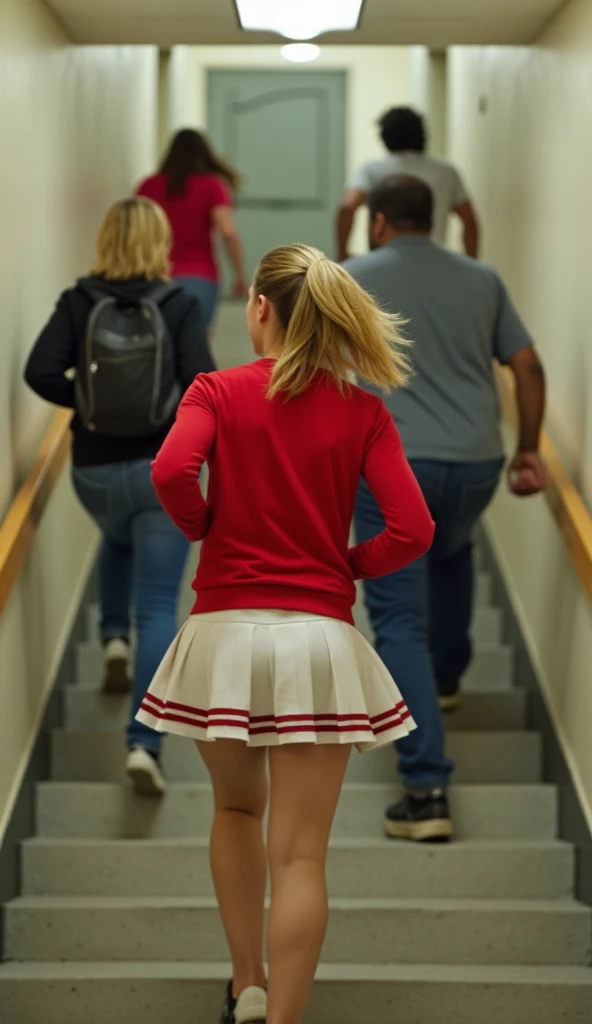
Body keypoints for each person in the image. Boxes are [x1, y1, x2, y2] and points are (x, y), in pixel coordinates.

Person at [136, 243, 434, 1024]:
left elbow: (170, 472)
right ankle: (282, 1020)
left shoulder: (217, 390)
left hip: (225, 633)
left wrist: (206, 527)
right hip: (317, 640)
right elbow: (413, 527)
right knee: (301, 854)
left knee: (236, 810)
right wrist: (346, 564)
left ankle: (247, 979)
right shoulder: (363, 408)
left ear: (259, 309)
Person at [344, 176, 546, 843]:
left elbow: (311, 369)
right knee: (454, 551)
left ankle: (427, 788)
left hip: (391, 462)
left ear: (377, 223)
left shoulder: (350, 277)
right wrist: (528, 452)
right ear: (435, 220)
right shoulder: (481, 277)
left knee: (398, 617)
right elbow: (527, 365)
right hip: (474, 462)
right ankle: (450, 677)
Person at [24, 196, 216, 798]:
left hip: (93, 470)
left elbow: (39, 372)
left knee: (114, 535)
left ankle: (110, 636)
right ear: (160, 243)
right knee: (158, 605)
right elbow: (204, 384)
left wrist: (87, 406)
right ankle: (144, 745)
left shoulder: (79, 300)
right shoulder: (179, 303)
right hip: (162, 469)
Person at [337, 106, 480, 261]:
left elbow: (347, 207)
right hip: (434, 260)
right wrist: (470, 263)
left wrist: (343, 255)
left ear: (385, 135)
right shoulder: (445, 171)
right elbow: (469, 221)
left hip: (382, 261)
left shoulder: (371, 169)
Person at [137, 128, 248, 328]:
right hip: (199, 277)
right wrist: (240, 275)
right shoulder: (213, 186)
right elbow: (227, 232)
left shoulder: (149, 186)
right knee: (196, 345)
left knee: (154, 343)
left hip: (153, 276)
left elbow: (133, 231)